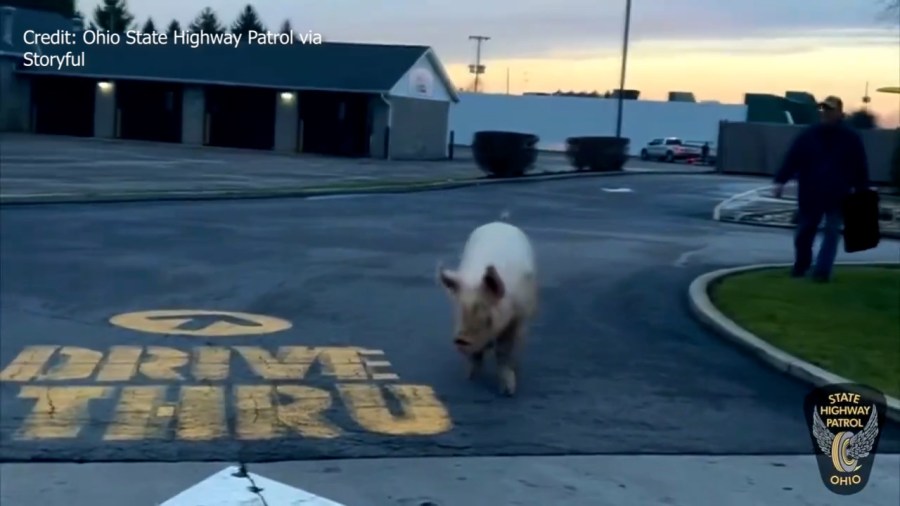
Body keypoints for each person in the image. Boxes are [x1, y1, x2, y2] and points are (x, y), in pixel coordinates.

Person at [772, 95, 870, 282]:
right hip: (811, 193)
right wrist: (780, 181)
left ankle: (822, 272)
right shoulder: (808, 135)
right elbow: (793, 159)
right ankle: (801, 265)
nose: (825, 113)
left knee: (832, 232)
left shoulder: (851, 138)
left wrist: (861, 190)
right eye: (823, 110)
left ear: (840, 113)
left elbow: (860, 166)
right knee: (804, 232)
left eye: (830, 110)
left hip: (837, 194)